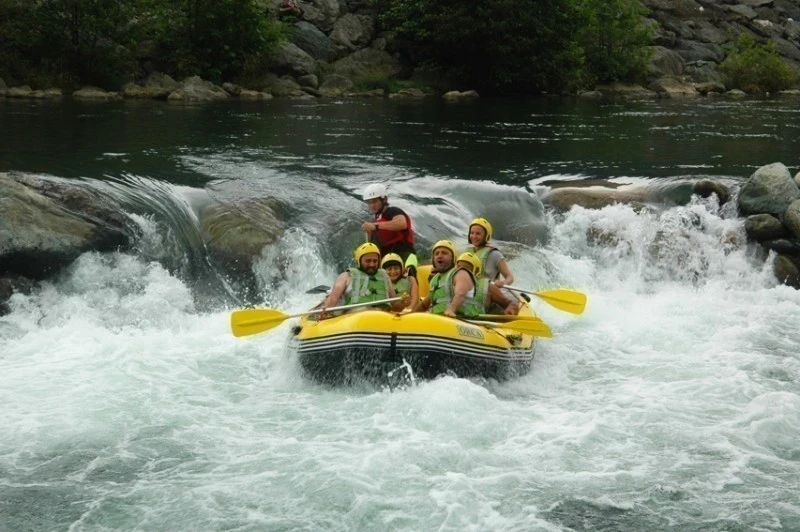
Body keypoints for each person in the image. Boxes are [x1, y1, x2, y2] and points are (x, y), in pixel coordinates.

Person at [414, 240, 519, 318]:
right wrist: (409, 315)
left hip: (468, 323)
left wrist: (451, 309)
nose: (465, 271)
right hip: (439, 321)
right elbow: (424, 304)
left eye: (468, 268)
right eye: (437, 253)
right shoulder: (438, 280)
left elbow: (460, 293)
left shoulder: (485, 285)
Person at [320, 243, 407, 317]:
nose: (372, 264)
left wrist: (404, 303)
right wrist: (325, 310)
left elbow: (395, 305)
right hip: (356, 316)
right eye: (368, 261)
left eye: (375, 261)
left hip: (383, 316)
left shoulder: (384, 276)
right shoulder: (346, 276)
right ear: (359, 261)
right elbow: (333, 299)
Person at [360, 183, 418, 275]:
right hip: (387, 258)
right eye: (369, 202)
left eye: (374, 201)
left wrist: (375, 226)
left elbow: (402, 224)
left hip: (404, 253)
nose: (372, 205)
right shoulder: (375, 220)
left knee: (409, 273)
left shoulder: (393, 211)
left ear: (384, 200)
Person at [465, 217, 515, 288]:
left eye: (478, 234)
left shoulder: (495, 254)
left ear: (486, 236)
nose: (474, 236)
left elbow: (510, 277)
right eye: (472, 233)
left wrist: (503, 283)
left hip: (489, 291)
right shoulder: (467, 252)